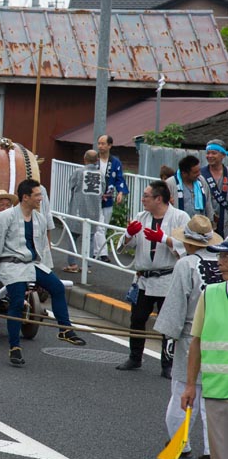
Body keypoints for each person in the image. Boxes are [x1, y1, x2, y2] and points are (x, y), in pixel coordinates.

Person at [0, 179, 87, 367]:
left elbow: (43, 248)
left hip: (33, 264)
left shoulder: (39, 218)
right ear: (26, 197)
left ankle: (65, 329)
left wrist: (47, 270)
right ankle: (14, 347)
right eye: (37, 195)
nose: (41, 198)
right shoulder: (6, 217)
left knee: (57, 288)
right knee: (16, 301)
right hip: (11, 265)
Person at [154, 215, 220, 459]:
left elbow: (176, 303)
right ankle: (211, 449)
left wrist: (169, 332)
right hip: (220, 336)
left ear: (189, 242)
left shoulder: (187, 265)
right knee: (213, 396)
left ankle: (179, 442)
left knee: (183, 390)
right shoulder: (221, 262)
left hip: (192, 335)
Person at [116, 180, 189, 375]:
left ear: (159, 198)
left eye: (146, 196)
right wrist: (129, 235)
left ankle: (168, 364)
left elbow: (188, 247)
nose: (142, 200)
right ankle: (135, 357)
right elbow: (123, 247)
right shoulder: (141, 217)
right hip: (143, 279)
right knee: (137, 318)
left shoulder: (180, 217)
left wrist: (164, 239)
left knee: (169, 323)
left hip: (168, 278)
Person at [182, 241, 228, 459]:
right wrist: (190, 385)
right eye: (220, 256)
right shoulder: (210, 294)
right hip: (217, 392)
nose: (221, 262)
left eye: (226, 257)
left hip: (218, 391)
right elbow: (196, 343)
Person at [64, 150, 102, 272]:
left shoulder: (79, 172)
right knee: (90, 238)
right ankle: (87, 266)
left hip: (78, 210)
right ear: (97, 160)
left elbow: (71, 186)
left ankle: (72, 264)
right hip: (94, 211)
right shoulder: (100, 174)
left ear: (84, 159)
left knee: (73, 236)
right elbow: (103, 190)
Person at [94, 134, 129, 262]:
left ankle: (95, 252)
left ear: (110, 145)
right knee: (99, 226)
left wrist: (120, 192)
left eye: (103, 143)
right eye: (99, 143)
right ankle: (103, 254)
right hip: (94, 198)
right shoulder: (94, 160)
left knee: (103, 226)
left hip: (108, 198)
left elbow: (119, 179)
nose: (100, 146)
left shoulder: (115, 162)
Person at [167, 155, 212, 220]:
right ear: (184, 173)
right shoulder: (170, 184)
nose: (199, 173)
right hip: (178, 224)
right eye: (195, 172)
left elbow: (208, 202)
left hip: (199, 225)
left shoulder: (201, 180)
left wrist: (211, 220)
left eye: (199, 170)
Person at [201, 139, 228, 237]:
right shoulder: (200, 174)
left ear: (223, 155)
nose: (210, 156)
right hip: (205, 220)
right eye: (208, 153)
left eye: (214, 153)